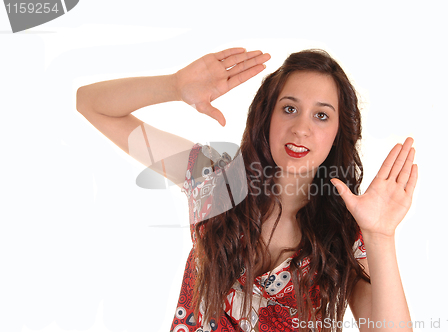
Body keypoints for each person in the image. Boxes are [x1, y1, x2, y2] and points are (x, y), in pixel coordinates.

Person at [76, 47, 418, 332]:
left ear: (338, 133)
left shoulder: (346, 233)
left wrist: (381, 237)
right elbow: (90, 103)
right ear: (266, 115)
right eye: (290, 108)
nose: (301, 128)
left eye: (321, 116)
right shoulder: (214, 180)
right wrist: (174, 86)